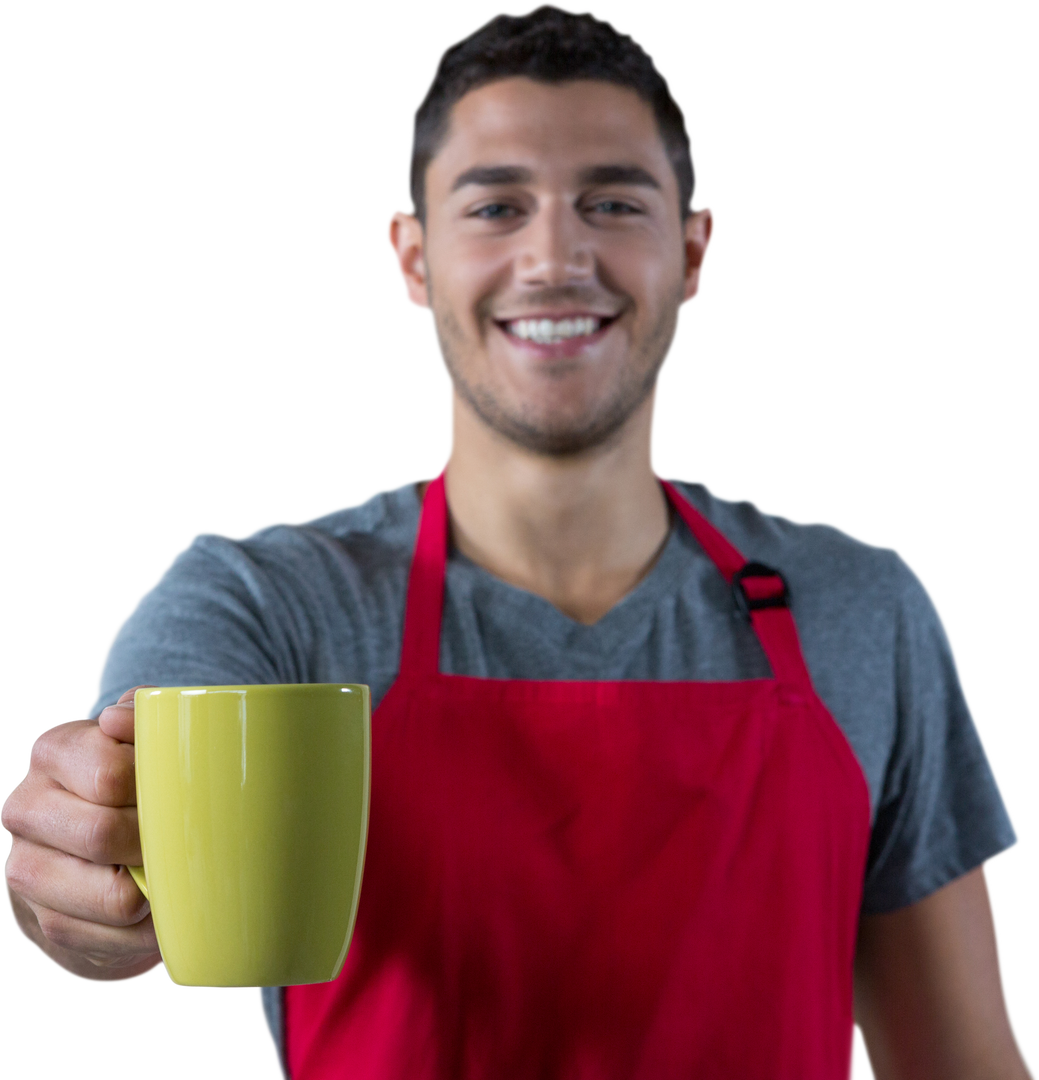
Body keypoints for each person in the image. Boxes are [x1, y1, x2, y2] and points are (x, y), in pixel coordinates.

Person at [1, 4, 1032, 1077]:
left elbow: (960, 1060)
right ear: (413, 259)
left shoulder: (860, 606)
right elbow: (98, 888)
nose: (554, 255)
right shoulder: (266, 600)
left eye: (612, 202)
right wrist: (78, 876)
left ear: (692, 251)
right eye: (496, 206)